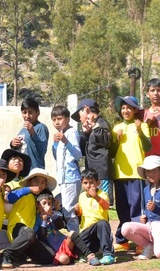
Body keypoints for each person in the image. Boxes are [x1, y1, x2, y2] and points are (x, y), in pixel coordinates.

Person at [111, 95, 151, 250]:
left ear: (135, 110)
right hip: (120, 174)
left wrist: (140, 131)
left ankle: (140, 241)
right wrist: (117, 140)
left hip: (137, 173)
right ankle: (122, 240)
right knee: (122, 209)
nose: (125, 110)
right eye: (123, 107)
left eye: (128, 107)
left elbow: (147, 148)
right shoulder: (116, 128)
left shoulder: (142, 126)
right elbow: (113, 152)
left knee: (137, 209)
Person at [121, 156, 160, 260]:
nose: (150, 174)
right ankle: (149, 246)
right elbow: (146, 210)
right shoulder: (146, 189)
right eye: (147, 171)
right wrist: (145, 217)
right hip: (150, 225)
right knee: (125, 228)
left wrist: (155, 209)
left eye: (153, 171)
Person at [0, 167, 56, 268]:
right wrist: (29, 189)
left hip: (30, 236)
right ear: (29, 181)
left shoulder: (39, 199)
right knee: (29, 232)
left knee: (49, 257)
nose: (39, 184)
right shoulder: (22, 191)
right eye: (36, 181)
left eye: (43, 182)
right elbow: (10, 198)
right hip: (17, 228)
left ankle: (19, 253)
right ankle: (7, 255)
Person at [33, 189, 100, 266]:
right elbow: (42, 236)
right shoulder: (36, 219)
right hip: (56, 250)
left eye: (49, 203)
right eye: (44, 203)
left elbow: (61, 225)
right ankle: (74, 256)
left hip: (65, 243)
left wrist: (52, 214)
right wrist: (44, 221)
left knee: (71, 233)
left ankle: (90, 256)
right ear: (38, 204)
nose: (47, 206)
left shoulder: (53, 215)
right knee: (64, 260)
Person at [72, 99, 113, 205]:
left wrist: (95, 126)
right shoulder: (91, 128)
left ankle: (103, 222)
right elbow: (83, 151)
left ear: (86, 109)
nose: (80, 119)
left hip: (102, 173)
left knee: (103, 201)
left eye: (79, 115)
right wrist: (86, 134)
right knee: (91, 202)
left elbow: (107, 141)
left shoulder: (100, 122)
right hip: (92, 173)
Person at [51, 105, 82, 233]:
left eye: (59, 119)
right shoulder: (61, 134)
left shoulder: (71, 133)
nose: (56, 122)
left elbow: (78, 155)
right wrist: (55, 143)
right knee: (62, 208)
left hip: (71, 177)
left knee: (69, 211)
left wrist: (65, 141)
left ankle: (75, 241)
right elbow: (56, 157)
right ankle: (71, 238)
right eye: (54, 119)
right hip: (63, 179)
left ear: (68, 119)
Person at [74, 169, 115, 265]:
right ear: (81, 183)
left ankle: (108, 254)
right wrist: (76, 211)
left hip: (99, 230)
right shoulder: (81, 196)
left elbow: (106, 206)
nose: (88, 186)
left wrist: (96, 196)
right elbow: (81, 213)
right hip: (86, 230)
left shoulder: (102, 194)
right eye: (85, 183)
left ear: (98, 183)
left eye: (91, 183)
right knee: (76, 242)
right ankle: (87, 254)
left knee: (102, 223)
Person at [9, 97, 48, 169]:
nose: (27, 116)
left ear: (37, 112)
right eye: (24, 112)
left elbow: (42, 151)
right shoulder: (23, 130)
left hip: (34, 171)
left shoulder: (41, 127)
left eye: (30, 112)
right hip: (23, 172)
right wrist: (13, 144)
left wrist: (33, 133)